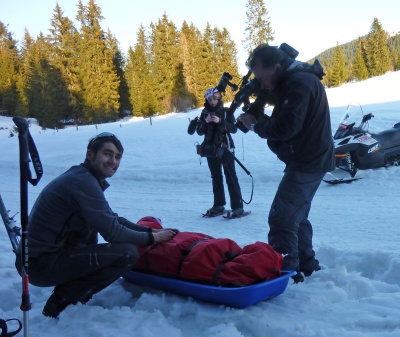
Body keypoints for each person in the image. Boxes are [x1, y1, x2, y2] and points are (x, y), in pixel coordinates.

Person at [15, 132, 178, 318]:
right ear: (90, 154)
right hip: (38, 265)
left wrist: (149, 230)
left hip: (37, 259)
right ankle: (62, 301)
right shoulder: (82, 181)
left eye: (117, 157)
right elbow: (113, 232)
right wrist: (152, 238)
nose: (113, 161)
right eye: (107, 154)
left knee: (97, 235)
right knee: (127, 253)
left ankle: (70, 290)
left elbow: (111, 219)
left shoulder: (83, 177)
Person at [237, 44, 335, 282]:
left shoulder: (298, 83)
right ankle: (306, 263)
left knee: (282, 218)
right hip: (310, 157)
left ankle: (286, 273)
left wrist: (256, 124)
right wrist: (258, 115)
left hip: (308, 160)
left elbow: (287, 126)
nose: (261, 84)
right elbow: (288, 118)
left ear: (277, 67)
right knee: (295, 215)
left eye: (263, 77)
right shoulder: (294, 79)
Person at [188, 88, 244, 218]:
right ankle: (219, 204)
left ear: (218, 98)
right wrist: (205, 123)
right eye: (209, 99)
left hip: (226, 148)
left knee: (231, 177)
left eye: (214, 98)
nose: (212, 101)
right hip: (210, 149)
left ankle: (238, 206)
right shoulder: (204, 113)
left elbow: (234, 129)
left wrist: (220, 122)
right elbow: (200, 132)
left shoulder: (226, 112)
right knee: (216, 177)